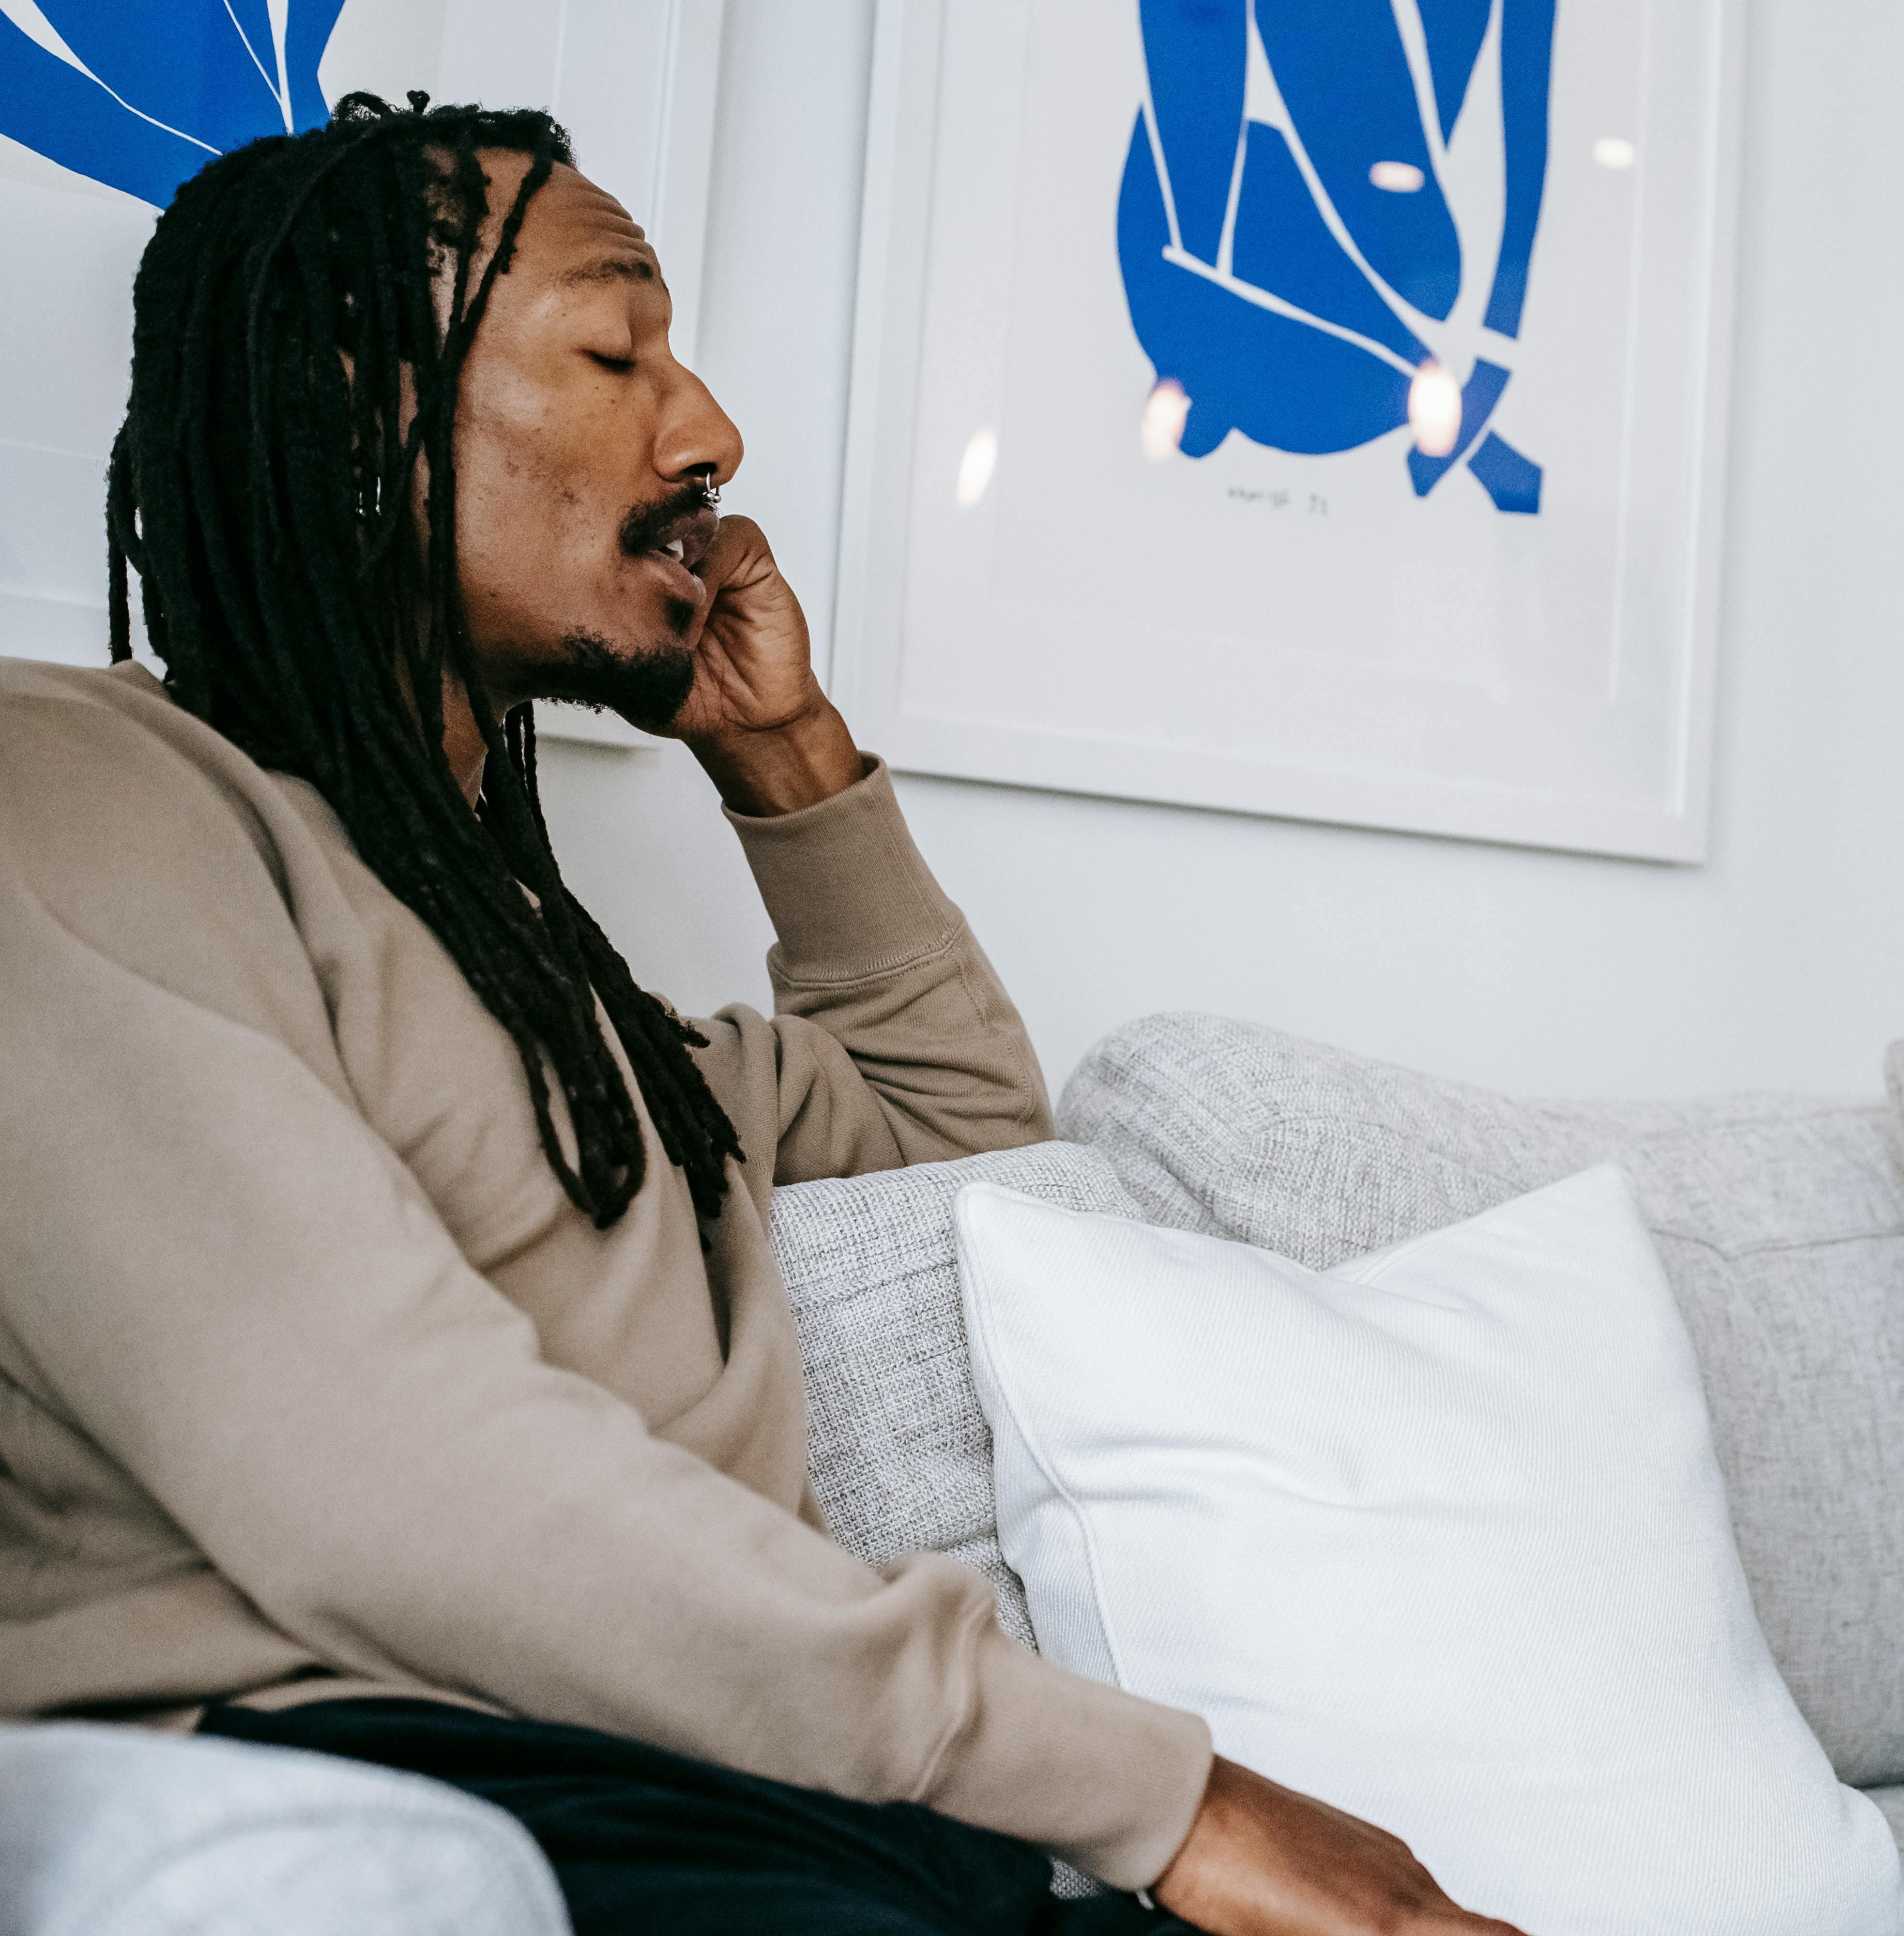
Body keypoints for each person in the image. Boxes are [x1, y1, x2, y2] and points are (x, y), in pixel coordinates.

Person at [0, 95, 1518, 1936]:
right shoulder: (74, 803)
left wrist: (787, 763)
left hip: (772, 1816)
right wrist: (1169, 1799)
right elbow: (382, 1470)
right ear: (363, 402)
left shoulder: (578, 1022)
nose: (708, 430)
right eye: (614, 347)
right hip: (381, 1794)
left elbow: (970, 1151)